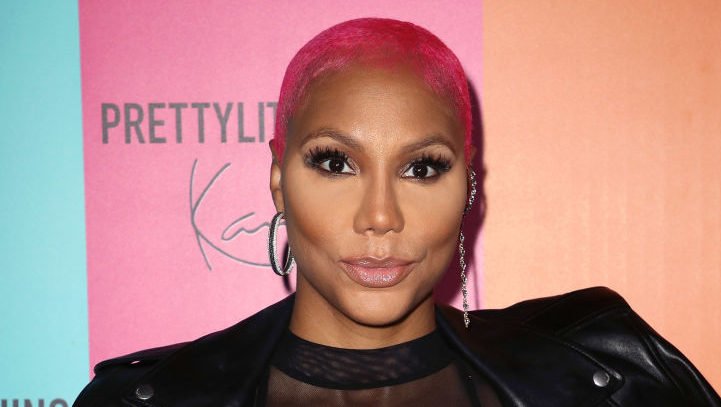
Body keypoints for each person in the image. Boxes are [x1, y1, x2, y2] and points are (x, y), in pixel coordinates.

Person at [73, 18, 720, 407]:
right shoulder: (146, 401)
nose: (380, 216)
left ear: (469, 185)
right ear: (278, 180)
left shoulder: (616, 384)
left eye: (422, 168)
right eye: (335, 163)